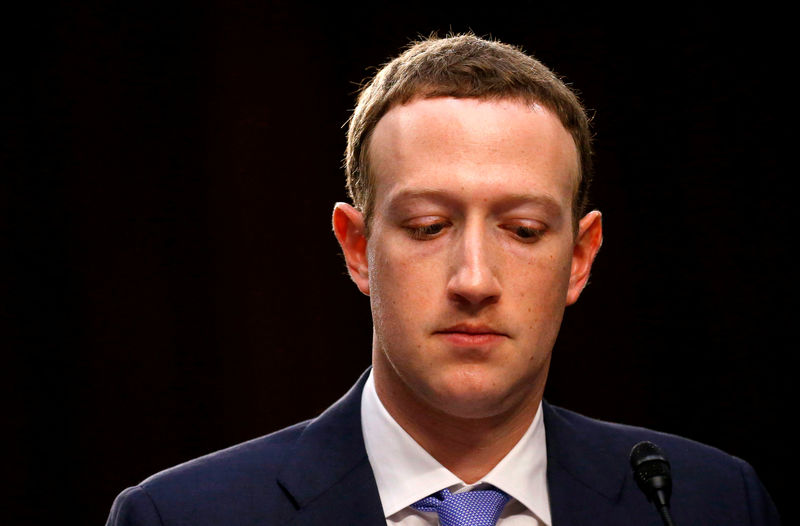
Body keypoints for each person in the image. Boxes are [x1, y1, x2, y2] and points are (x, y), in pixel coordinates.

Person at [106, 34, 780, 526]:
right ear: (358, 248)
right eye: (429, 226)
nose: (475, 280)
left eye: (522, 230)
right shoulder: (184, 516)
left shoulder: (706, 501)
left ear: (580, 258)